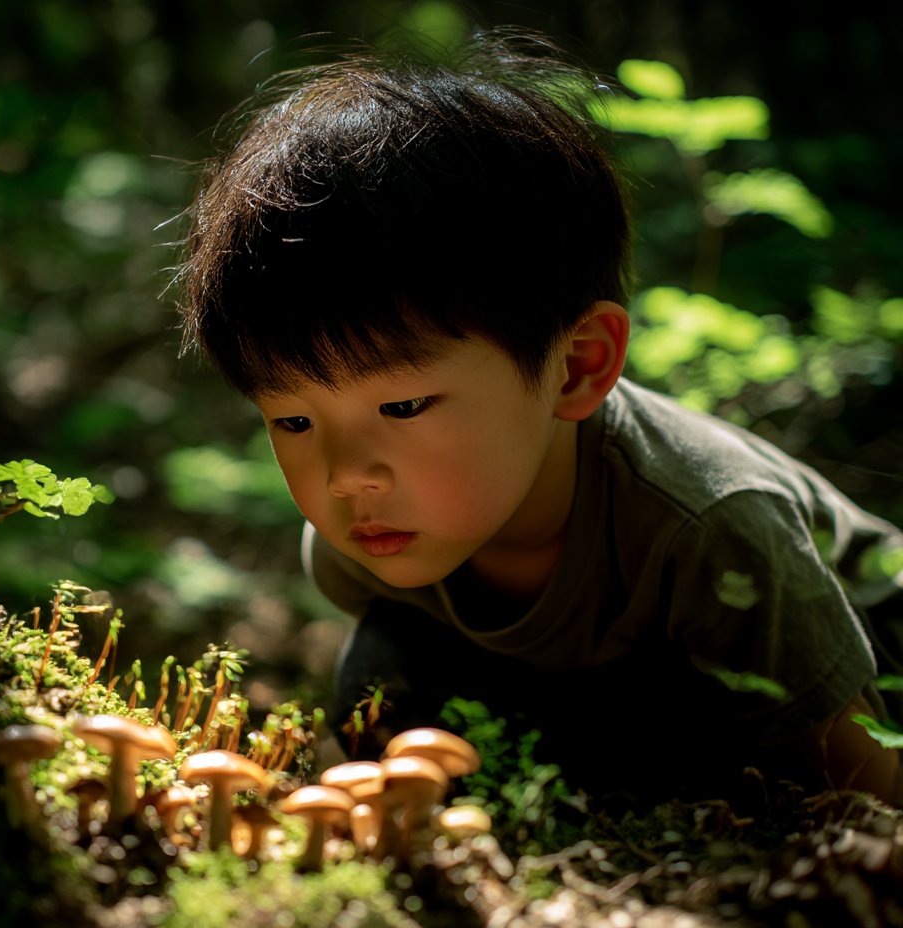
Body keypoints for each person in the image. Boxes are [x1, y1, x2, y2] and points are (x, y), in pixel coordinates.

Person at [174, 34, 903, 805]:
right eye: (292, 422)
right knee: (383, 667)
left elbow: (874, 803)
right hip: (631, 704)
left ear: (579, 365)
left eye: (404, 405)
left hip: (868, 669)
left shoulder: (709, 530)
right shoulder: (358, 550)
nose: (347, 474)